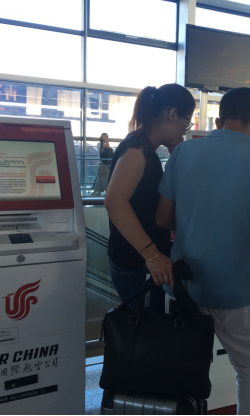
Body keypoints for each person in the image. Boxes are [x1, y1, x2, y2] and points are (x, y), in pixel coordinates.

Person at [156, 87, 250, 415]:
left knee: (181, 367)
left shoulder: (183, 152)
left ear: (218, 120)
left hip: (183, 287)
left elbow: (162, 218)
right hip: (232, 291)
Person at [105, 83, 195, 312]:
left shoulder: (143, 145)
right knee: (142, 331)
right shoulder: (138, 149)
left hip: (137, 260)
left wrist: (177, 154)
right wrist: (153, 255)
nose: (185, 130)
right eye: (187, 123)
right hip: (134, 263)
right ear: (173, 114)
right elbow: (114, 203)